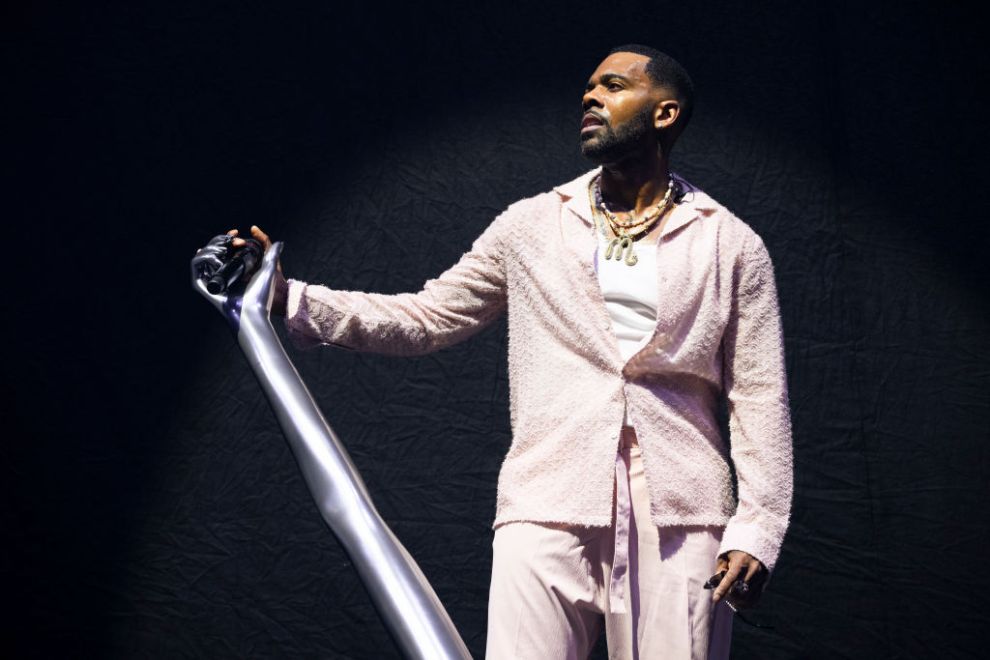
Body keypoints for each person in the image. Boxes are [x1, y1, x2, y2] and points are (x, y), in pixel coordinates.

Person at [226, 44, 793, 660]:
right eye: (588, 88)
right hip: (547, 499)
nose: (590, 97)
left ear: (664, 114)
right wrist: (289, 297)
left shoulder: (732, 244)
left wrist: (757, 528)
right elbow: (426, 316)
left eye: (613, 86)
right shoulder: (531, 225)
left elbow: (759, 396)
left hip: (683, 519)